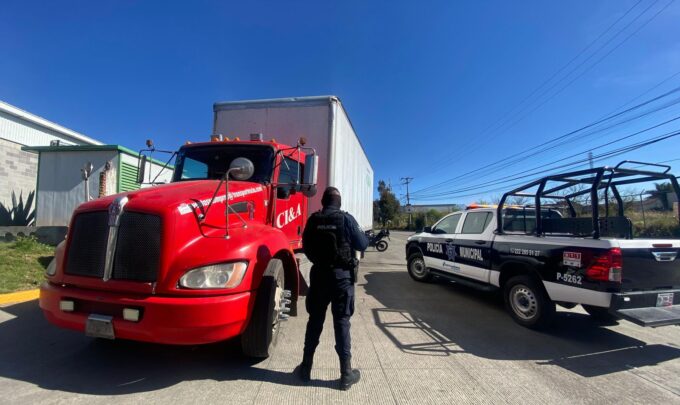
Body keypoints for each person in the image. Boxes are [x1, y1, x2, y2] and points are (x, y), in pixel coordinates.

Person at [297, 186, 369, 390]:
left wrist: (320, 261)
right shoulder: (346, 219)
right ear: (339, 202)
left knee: (314, 321)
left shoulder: (313, 220)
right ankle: (346, 374)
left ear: (323, 201)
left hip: (319, 276)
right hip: (341, 279)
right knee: (342, 323)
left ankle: (305, 368)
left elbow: (306, 247)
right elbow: (363, 244)